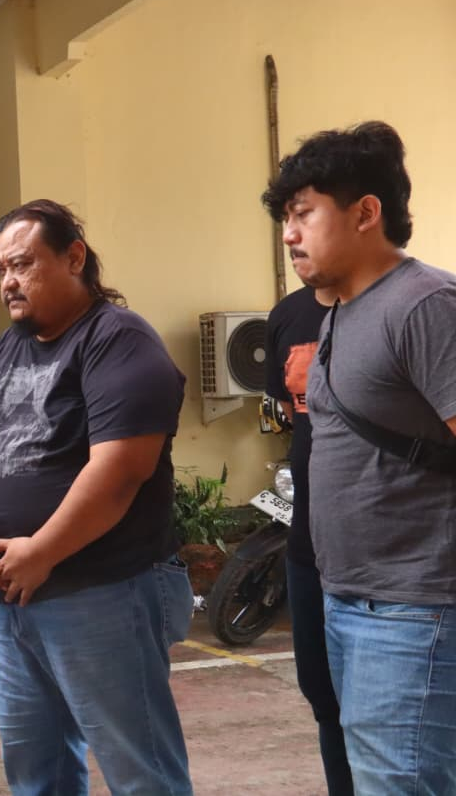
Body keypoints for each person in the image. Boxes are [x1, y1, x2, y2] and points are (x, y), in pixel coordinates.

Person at [0, 200, 193, 796]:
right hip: (13, 599)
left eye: (23, 264)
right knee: (39, 774)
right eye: (2, 269)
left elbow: (120, 470)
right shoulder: (8, 348)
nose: (9, 281)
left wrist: (43, 551)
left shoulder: (119, 341)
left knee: (141, 774)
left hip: (102, 590)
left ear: (74, 257)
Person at [262, 120, 456, 794]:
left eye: (303, 214)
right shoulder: (342, 312)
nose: (289, 235)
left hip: (413, 608)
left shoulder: (426, 305)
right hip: (347, 598)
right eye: (286, 219)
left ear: (366, 212)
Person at [263, 284, 347, 794]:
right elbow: (296, 418)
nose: (293, 243)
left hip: (398, 562)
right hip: (310, 545)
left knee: (399, 718)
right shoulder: (288, 315)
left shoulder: (420, 306)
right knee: (325, 700)